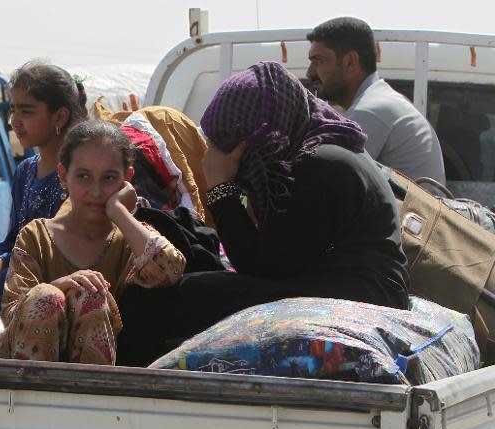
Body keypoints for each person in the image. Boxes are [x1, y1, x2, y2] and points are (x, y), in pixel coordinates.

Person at [116, 61, 410, 367]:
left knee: (163, 303)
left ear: (257, 135)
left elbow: (259, 265)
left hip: (358, 292)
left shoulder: (320, 164)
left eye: (230, 145)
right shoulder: (321, 149)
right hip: (347, 282)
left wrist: (219, 185)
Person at [0, 120, 185, 365]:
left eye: (109, 178)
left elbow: (170, 269)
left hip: (91, 386)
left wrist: (118, 210)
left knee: (91, 296)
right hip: (23, 381)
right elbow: (12, 313)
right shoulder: (35, 236)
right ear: (63, 175)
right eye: (83, 176)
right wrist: (59, 287)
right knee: (47, 296)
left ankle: (86, 398)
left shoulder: (129, 241)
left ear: (127, 178)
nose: (96, 191)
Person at [0, 61, 89, 318]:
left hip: (47, 286)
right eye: (13, 110)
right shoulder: (25, 172)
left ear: (59, 116)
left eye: (27, 111)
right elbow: (14, 239)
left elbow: (55, 252)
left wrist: (3, 266)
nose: (14, 121)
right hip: (9, 277)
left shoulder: (78, 177)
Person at [306, 17, 446, 185]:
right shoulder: (379, 100)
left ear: (350, 61)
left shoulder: (371, 110)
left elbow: (326, 183)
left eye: (319, 61)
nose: (310, 72)